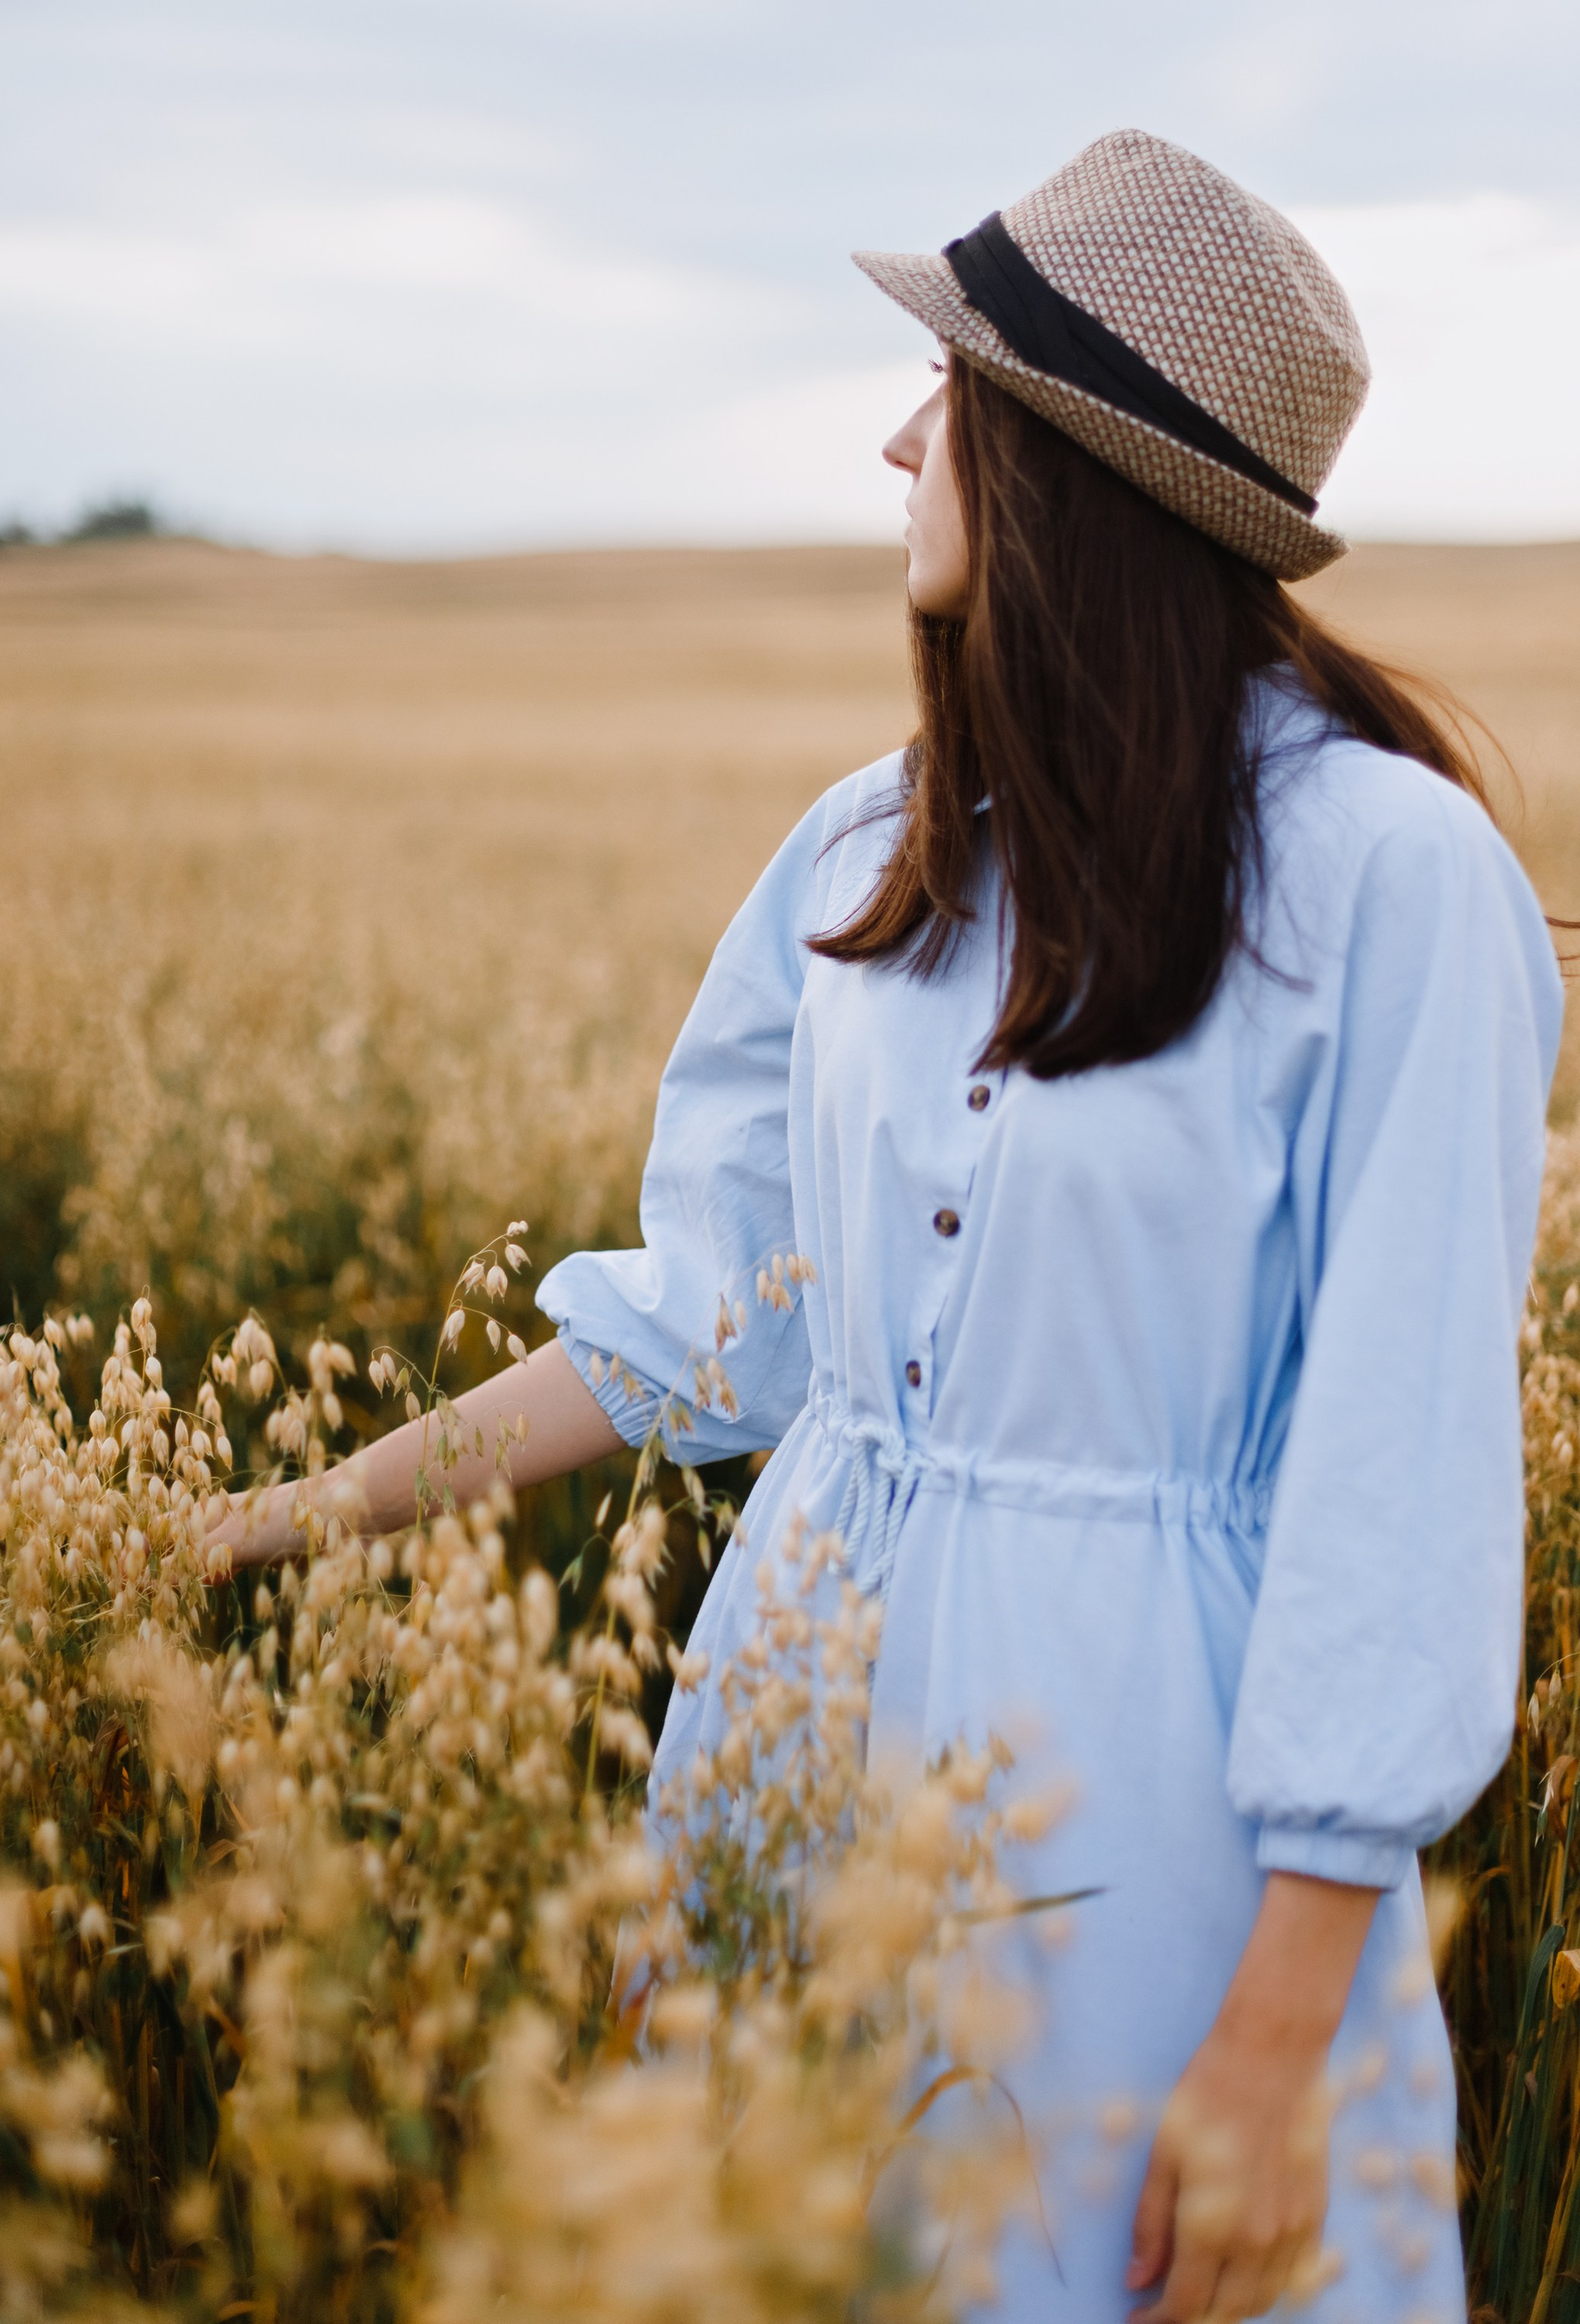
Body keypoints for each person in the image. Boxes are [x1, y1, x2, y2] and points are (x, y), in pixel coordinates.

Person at [215, 130, 1562, 2322]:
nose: (898, 431)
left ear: (1069, 464)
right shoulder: (876, 853)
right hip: (796, 1739)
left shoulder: (1390, 887)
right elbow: (700, 1331)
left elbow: (1398, 1494)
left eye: (950, 383)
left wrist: (1276, 2038)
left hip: (1148, 1847)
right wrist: (283, 1517)